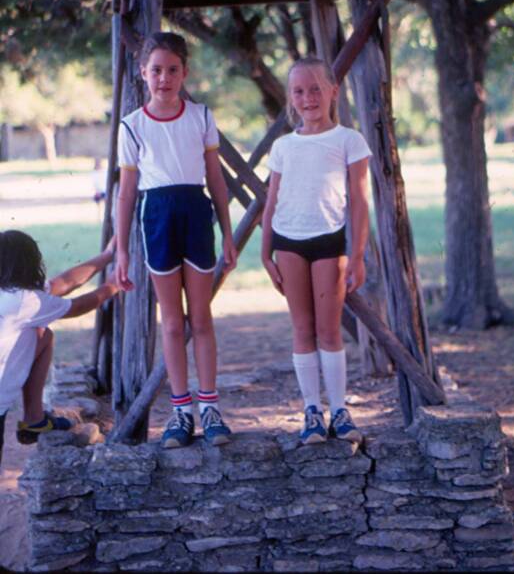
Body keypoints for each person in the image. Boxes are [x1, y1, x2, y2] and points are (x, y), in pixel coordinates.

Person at [116, 31, 237, 449]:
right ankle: (180, 412)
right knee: (171, 321)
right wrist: (121, 251)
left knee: (200, 318)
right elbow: (127, 192)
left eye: (172, 70)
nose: (164, 78)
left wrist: (228, 231)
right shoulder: (131, 127)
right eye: (156, 71)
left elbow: (216, 179)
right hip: (158, 218)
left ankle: (210, 408)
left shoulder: (201, 116)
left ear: (184, 73)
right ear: (143, 74)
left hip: (196, 214)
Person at [261, 55, 371, 445]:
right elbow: (270, 203)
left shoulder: (348, 141)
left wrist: (356, 255)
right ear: (291, 98)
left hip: (329, 242)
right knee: (302, 329)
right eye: (298, 91)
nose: (307, 98)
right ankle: (311, 411)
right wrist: (264, 254)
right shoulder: (284, 147)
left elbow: (359, 202)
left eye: (315, 89)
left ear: (332, 92)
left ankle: (339, 410)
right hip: (288, 244)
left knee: (328, 329)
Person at [0, 231, 122, 465]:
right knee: (43, 333)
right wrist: (113, 286)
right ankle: (33, 419)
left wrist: (106, 256)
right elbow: (77, 306)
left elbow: (62, 283)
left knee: (43, 335)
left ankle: (34, 420)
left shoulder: (14, 297)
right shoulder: (25, 301)